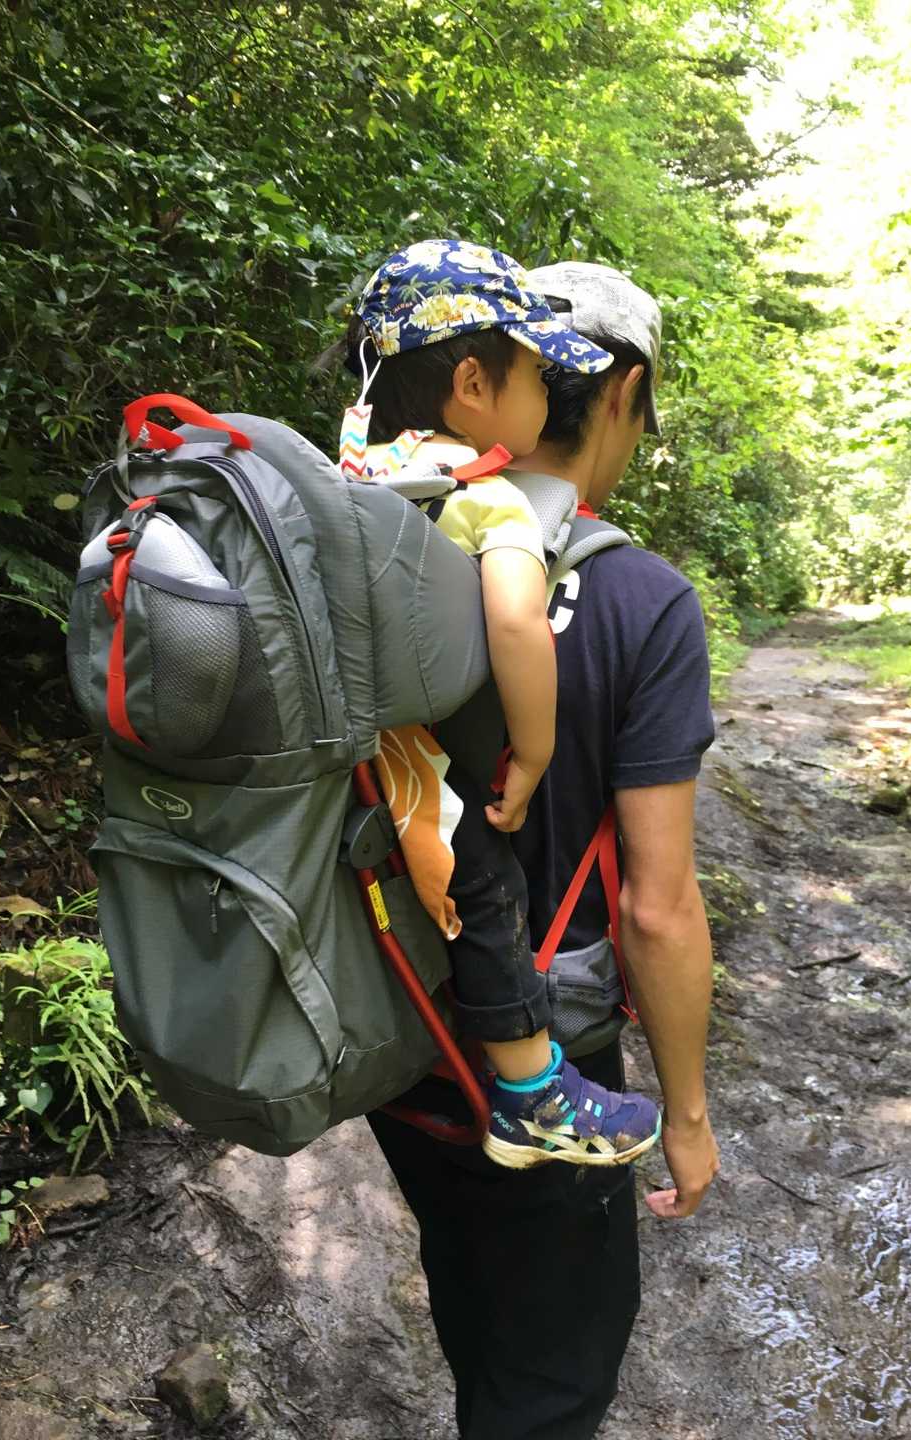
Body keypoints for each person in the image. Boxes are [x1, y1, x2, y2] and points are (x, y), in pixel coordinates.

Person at [365, 260, 720, 1440]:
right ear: (620, 393)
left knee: (479, 1312)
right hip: (544, 1080)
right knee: (554, 1383)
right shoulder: (644, 603)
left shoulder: (390, 533)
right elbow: (659, 908)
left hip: (399, 1040)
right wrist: (686, 1114)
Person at [336, 239, 662, 1170]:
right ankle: (529, 1092)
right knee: (486, 885)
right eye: (535, 374)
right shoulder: (486, 496)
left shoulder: (346, 474)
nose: (549, 394)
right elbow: (518, 624)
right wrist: (534, 749)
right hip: (424, 769)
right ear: (473, 385)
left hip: (346, 760)